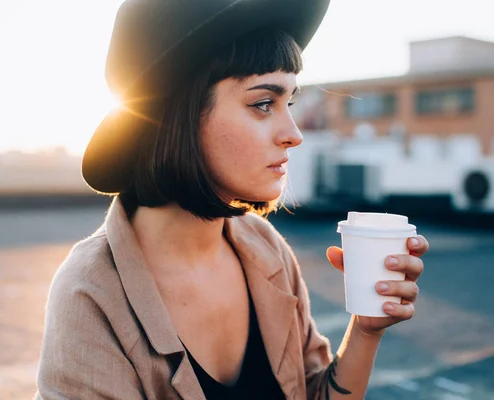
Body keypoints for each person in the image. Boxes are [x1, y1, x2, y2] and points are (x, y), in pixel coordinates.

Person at [35, 1, 429, 399]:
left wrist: (365, 329)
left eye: (288, 103)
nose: (294, 133)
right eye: (263, 104)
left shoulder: (266, 249)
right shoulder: (91, 295)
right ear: (180, 116)